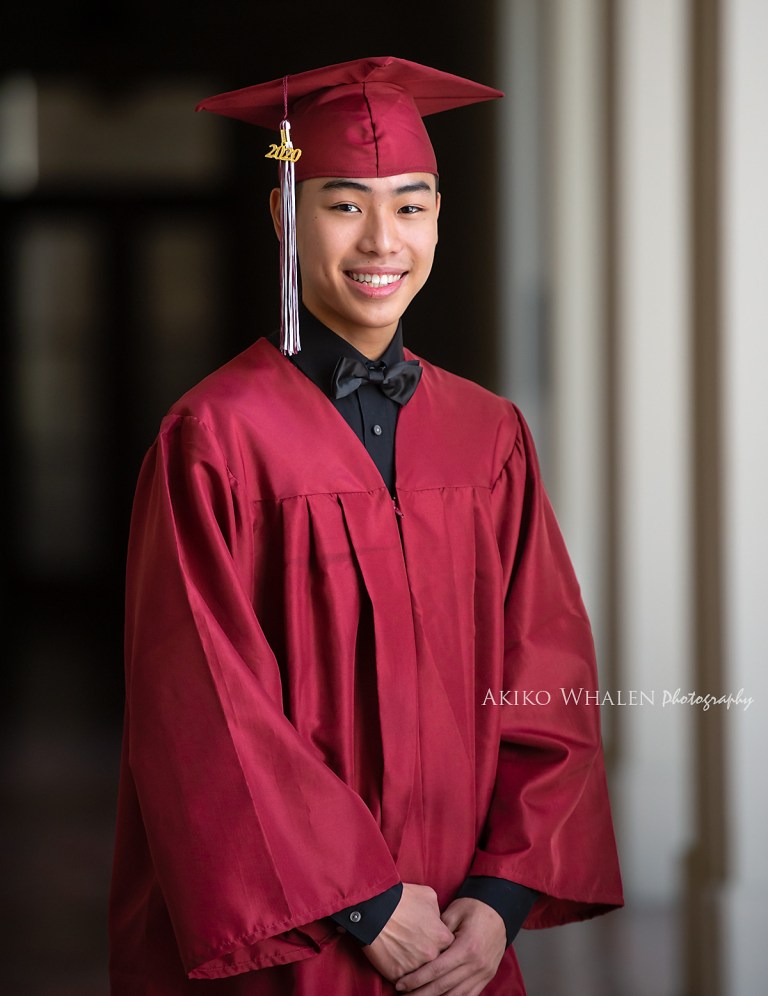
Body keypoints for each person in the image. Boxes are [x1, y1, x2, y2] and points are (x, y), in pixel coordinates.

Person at [108, 56, 623, 996]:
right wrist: (366, 905)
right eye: (344, 204)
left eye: (412, 206)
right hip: (297, 930)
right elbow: (203, 709)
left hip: (462, 936)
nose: (382, 239)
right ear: (285, 220)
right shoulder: (215, 439)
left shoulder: (489, 433)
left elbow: (545, 670)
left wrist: (499, 896)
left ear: (438, 220)